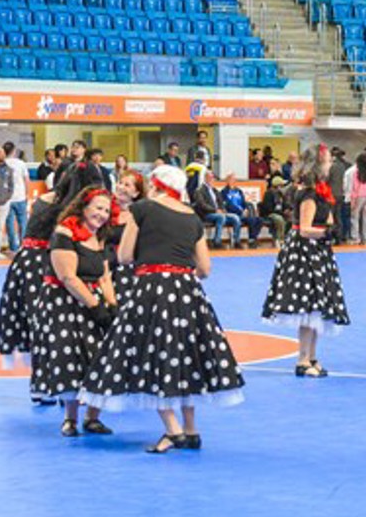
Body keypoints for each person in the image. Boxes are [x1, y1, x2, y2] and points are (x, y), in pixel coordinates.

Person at [80, 166, 245, 453]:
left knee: (152, 355)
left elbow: (125, 256)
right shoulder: (191, 216)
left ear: (155, 185)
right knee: (185, 357)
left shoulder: (143, 209)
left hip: (152, 287)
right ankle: (191, 430)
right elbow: (205, 268)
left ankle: (173, 430)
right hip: (187, 291)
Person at [30, 186, 116, 438]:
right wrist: (96, 308)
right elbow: (68, 277)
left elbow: (104, 276)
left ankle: (93, 418)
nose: (102, 214)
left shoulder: (98, 236)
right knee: (70, 359)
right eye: (98, 208)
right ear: (83, 207)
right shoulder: (64, 233)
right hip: (63, 304)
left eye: (106, 210)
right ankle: (70, 419)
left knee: (101, 357)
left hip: (91, 299)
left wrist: (112, 305)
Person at [263, 148, 349, 377]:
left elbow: (326, 220)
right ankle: (302, 359)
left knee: (316, 308)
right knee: (308, 307)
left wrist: (329, 228)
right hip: (305, 252)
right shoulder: (309, 193)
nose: (331, 164)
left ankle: (311, 356)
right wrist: (327, 232)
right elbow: (305, 229)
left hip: (317, 250)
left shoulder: (320, 191)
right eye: (328, 161)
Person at [0, 187, 62, 404]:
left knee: (40, 326)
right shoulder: (63, 206)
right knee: (46, 327)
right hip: (43, 266)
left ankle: (43, 385)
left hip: (32, 264)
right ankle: (47, 384)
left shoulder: (47, 199)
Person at [108, 170, 146, 305]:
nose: (121, 187)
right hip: (105, 268)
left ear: (136, 193)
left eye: (127, 185)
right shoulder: (104, 210)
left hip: (129, 270)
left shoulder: (141, 215)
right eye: (120, 183)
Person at [193, 172, 243, 249]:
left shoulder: (215, 190)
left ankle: (237, 241)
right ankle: (217, 241)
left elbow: (221, 202)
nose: (213, 180)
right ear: (206, 178)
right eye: (211, 178)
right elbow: (202, 205)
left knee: (235, 217)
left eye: (213, 178)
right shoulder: (199, 190)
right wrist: (215, 210)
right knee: (221, 217)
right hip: (207, 214)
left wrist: (222, 209)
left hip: (219, 213)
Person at [220, 173, 263, 247]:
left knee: (259, 220)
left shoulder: (239, 191)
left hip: (243, 213)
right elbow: (227, 205)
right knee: (249, 220)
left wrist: (246, 209)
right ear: (227, 180)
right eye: (231, 179)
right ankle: (247, 240)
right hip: (233, 214)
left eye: (234, 179)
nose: (233, 181)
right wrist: (240, 211)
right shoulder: (224, 192)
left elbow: (244, 202)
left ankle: (252, 238)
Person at [3, 142, 30, 253]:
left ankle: (13, 247)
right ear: (14, 151)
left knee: (9, 222)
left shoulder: (1, 163)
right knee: (22, 222)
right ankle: (23, 245)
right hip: (20, 196)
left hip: (7, 198)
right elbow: (26, 180)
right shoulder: (21, 163)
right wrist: (27, 193)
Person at [350, 152, 366, 245]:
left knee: (355, 217)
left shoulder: (356, 172)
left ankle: (355, 238)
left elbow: (355, 187)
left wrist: (353, 199)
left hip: (359, 196)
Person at [259, 176, 290, 247]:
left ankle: (287, 237)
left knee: (291, 219)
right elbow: (268, 208)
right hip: (270, 214)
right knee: (279, 219)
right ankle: (279, 239)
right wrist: (282, 213)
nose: (282, 187)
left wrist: (288, 209)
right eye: (281, 185)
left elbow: (285, 204)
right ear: (277, 186)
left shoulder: (280, 194)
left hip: (280, 213)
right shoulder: (268, 194)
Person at [329, 147, 351, 243]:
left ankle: (330, 237)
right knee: (339, 216)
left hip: (331, 194)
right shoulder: (345, 166)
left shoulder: (332, 167)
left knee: (331, 216)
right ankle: (340, 237)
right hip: (341, 194)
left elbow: (327, 179)